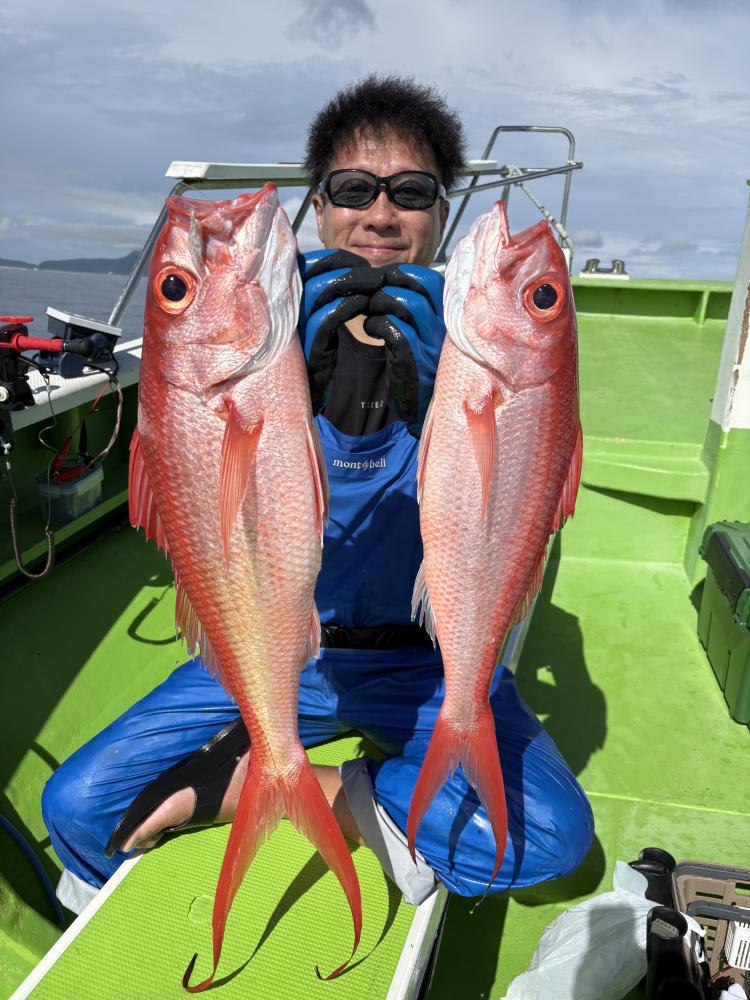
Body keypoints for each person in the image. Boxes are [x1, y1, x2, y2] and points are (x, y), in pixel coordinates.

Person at [42, 75, 593, 915]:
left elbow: (527, 488)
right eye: (354, 189)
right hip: (282, 649)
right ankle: (308, 784)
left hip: (425, 658)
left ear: (440, 212)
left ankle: (283, 787)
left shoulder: (469, 337)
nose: (382, 215)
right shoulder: (270, 316)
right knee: (77, 805)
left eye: (412, 193)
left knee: (553, 835)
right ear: (321, 205)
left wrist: (439, 400)